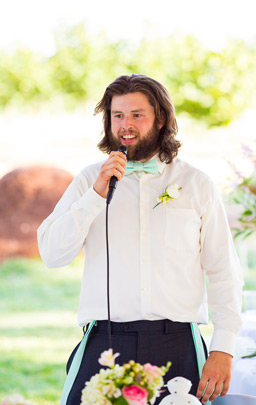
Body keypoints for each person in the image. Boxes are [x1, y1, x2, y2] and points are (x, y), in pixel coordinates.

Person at [37, 74, 243, 404]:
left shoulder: (196, 183)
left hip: (178, 340)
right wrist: (95, 194)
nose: (126, 125)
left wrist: (223, 348)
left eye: (137, 115)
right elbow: (52, 254)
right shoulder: (90, 179)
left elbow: (223, 271)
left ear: (160, 119)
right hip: (104, 340)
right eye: (117, 116)